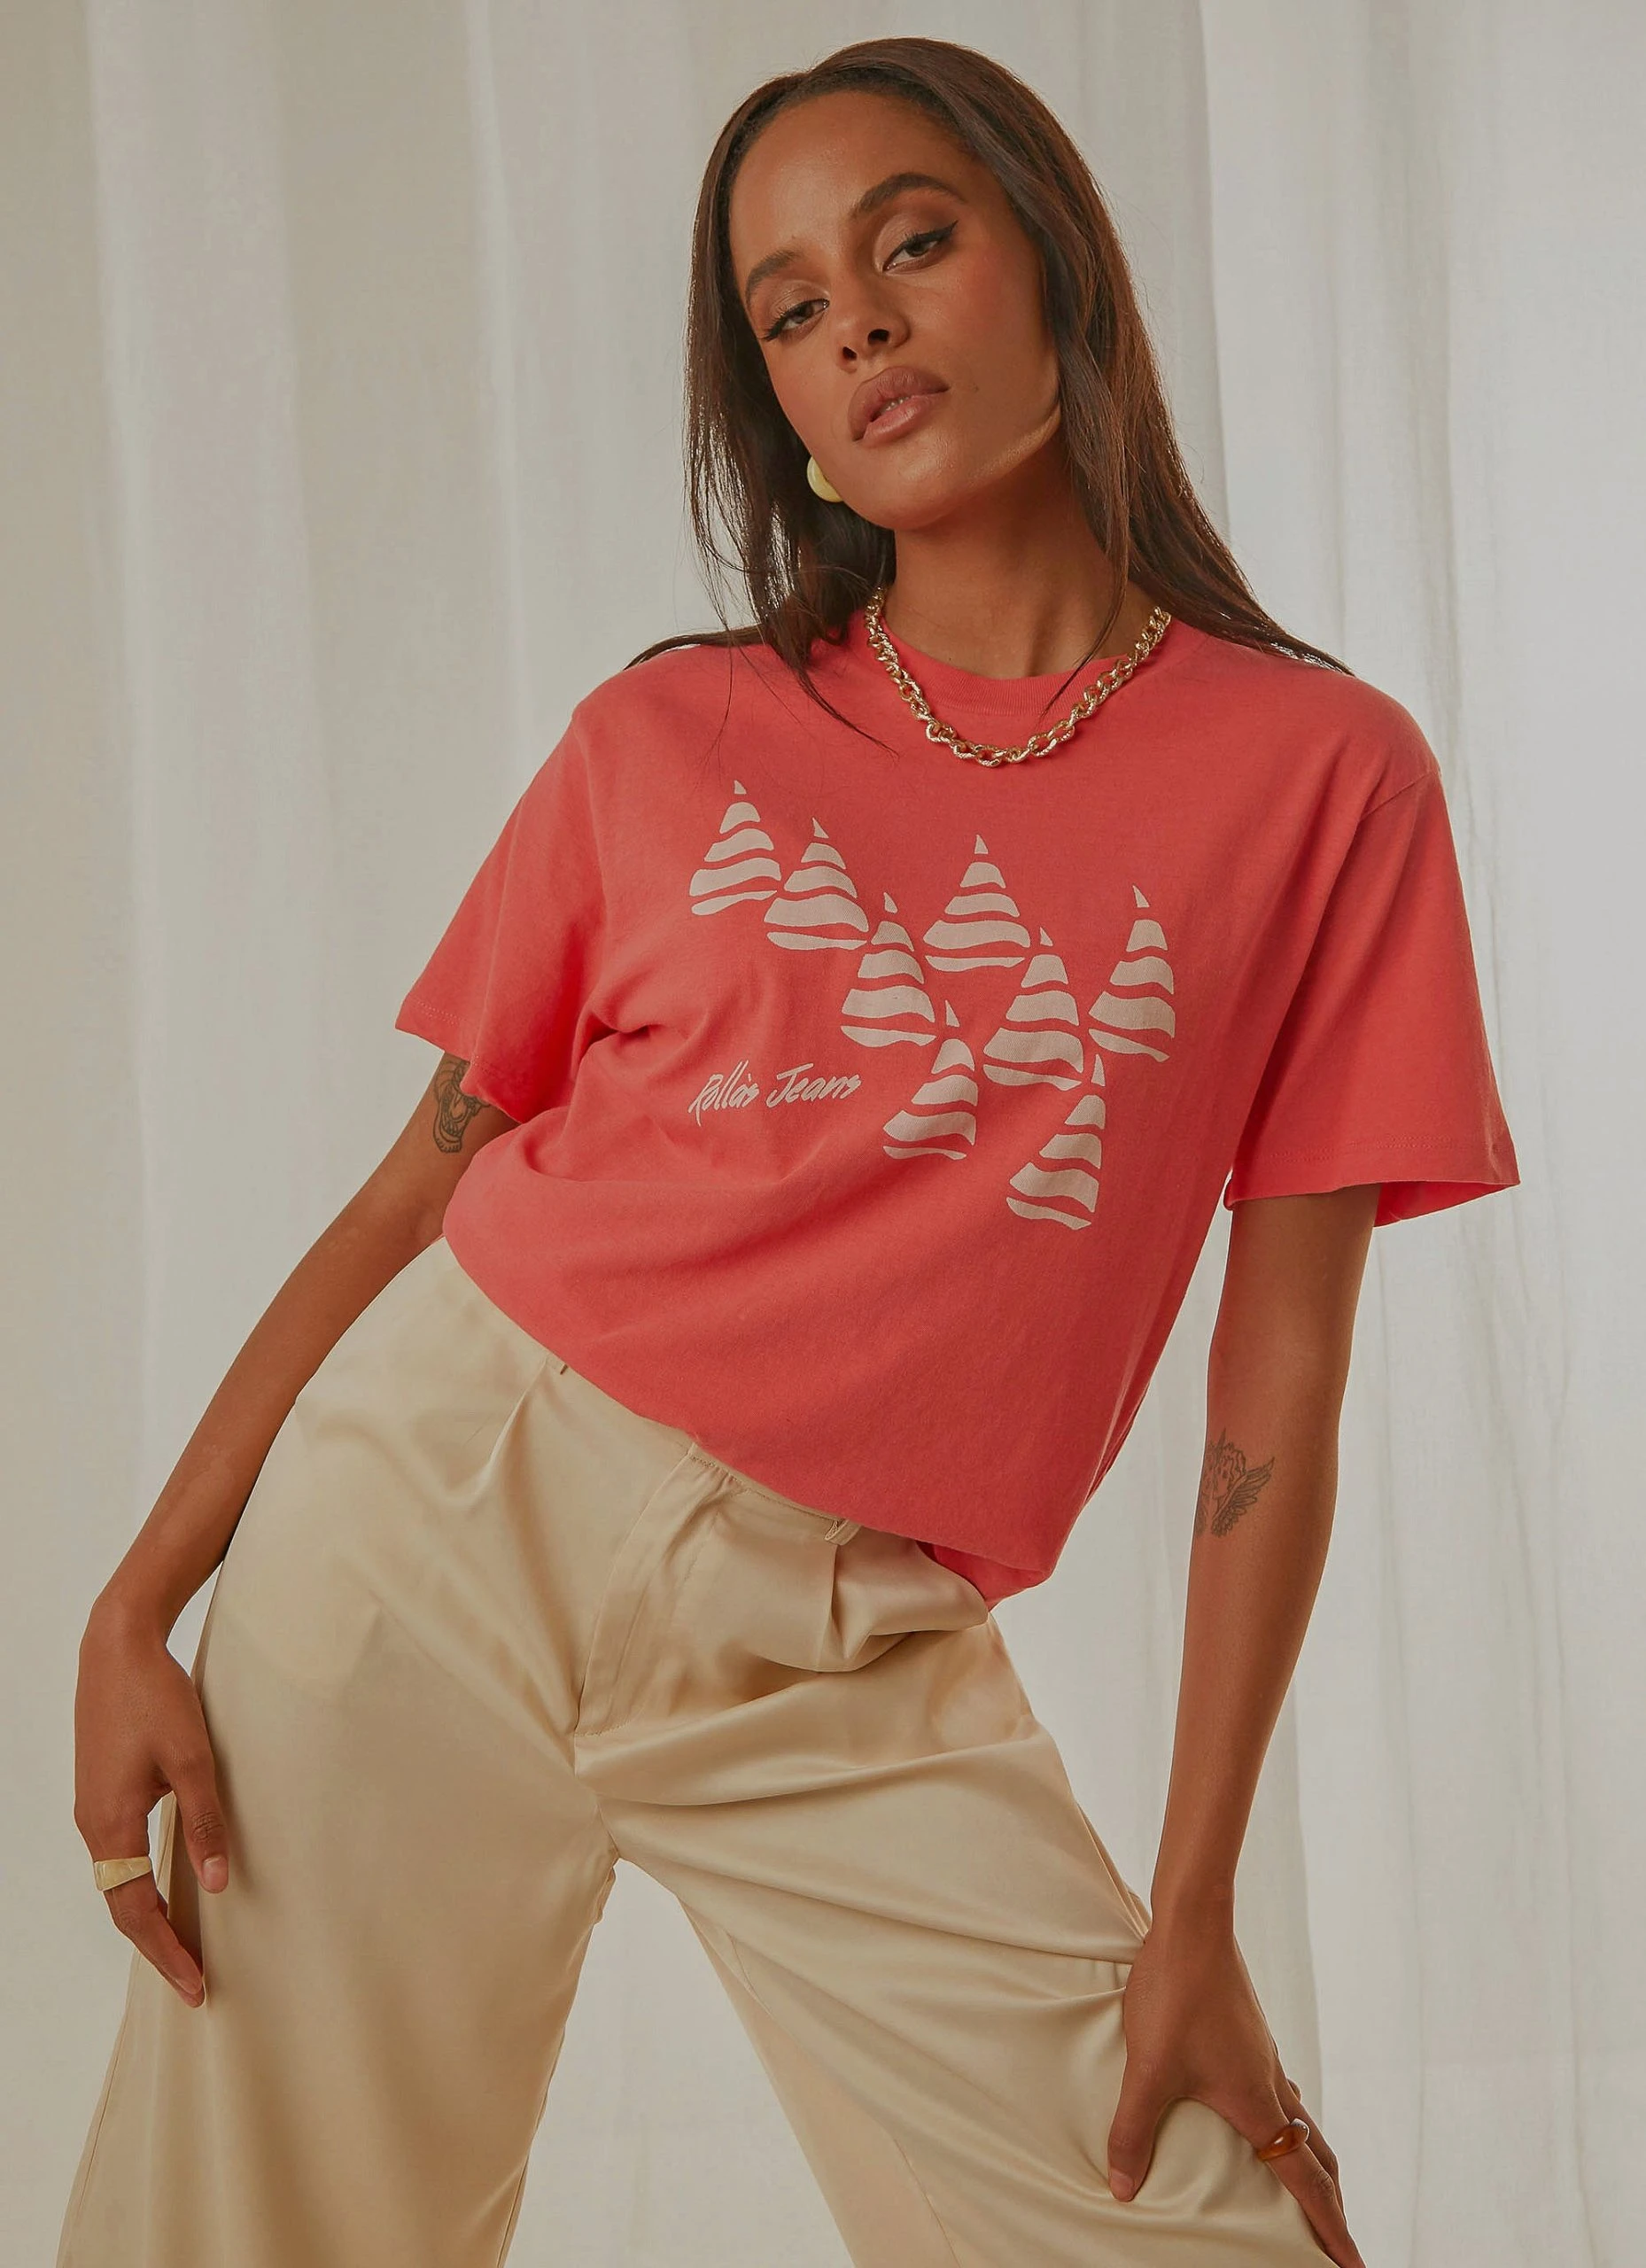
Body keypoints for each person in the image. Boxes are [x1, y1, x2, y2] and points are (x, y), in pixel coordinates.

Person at [58, 34, 1518, 2268]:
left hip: (839, 1634)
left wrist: (1193, 1905)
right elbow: (415, 1187)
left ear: (1056, 263)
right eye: (790, 305)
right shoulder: (669, 732)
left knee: (1181, 2217)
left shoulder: (1321, 777)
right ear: (782, 406)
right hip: (429, 1517)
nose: (857, 323)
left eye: (912, 241)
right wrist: (137, 1597)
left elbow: (1278, 1375)